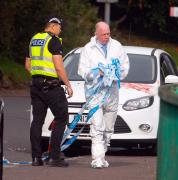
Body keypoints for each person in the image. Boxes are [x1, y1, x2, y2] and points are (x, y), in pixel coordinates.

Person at [78, 21, 129, 168]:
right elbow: (82, 71)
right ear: (97, 34)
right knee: (97, 127)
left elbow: (125, 66)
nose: (107, 36)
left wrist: (116, 72)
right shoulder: (88, 49)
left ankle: (102, 155)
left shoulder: (117, 46)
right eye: (104, 34)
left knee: (108, 129)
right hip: (95, 94)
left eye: (108, 33)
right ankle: (97, 159)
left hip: (112, 94)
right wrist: (97, 73)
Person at [25, 17, 73, 167]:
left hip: (36, 86)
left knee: (37, 121)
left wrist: (38, 76)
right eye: (59, 27)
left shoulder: (34, 39)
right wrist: (68, 85)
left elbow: (28, 65)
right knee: (61, 118)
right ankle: (54, 157)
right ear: (53, 26)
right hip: (51, 87)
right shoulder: (54, 40)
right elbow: (59, 67)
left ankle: (36, 158)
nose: (60, 30)